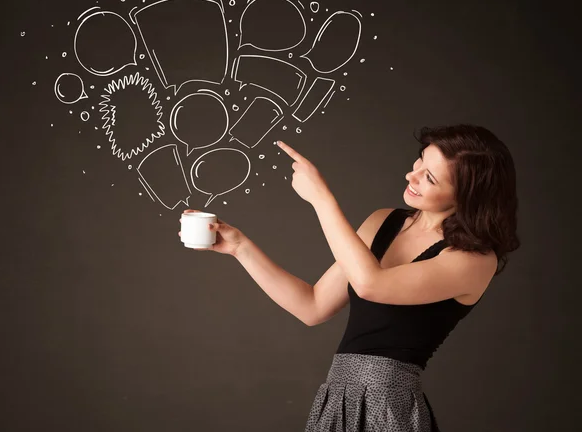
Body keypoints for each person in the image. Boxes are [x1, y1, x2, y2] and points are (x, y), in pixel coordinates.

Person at [179, 123, 520, 432]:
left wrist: (321, 198)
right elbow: (312, 307)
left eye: (430, 178)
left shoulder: (473, 259)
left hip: (390, 407)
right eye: (419, 163)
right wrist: (240, 247)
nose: (411, 176)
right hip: (337, 396)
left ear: (467, 196)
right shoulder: (384, 221)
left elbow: (371, 285)